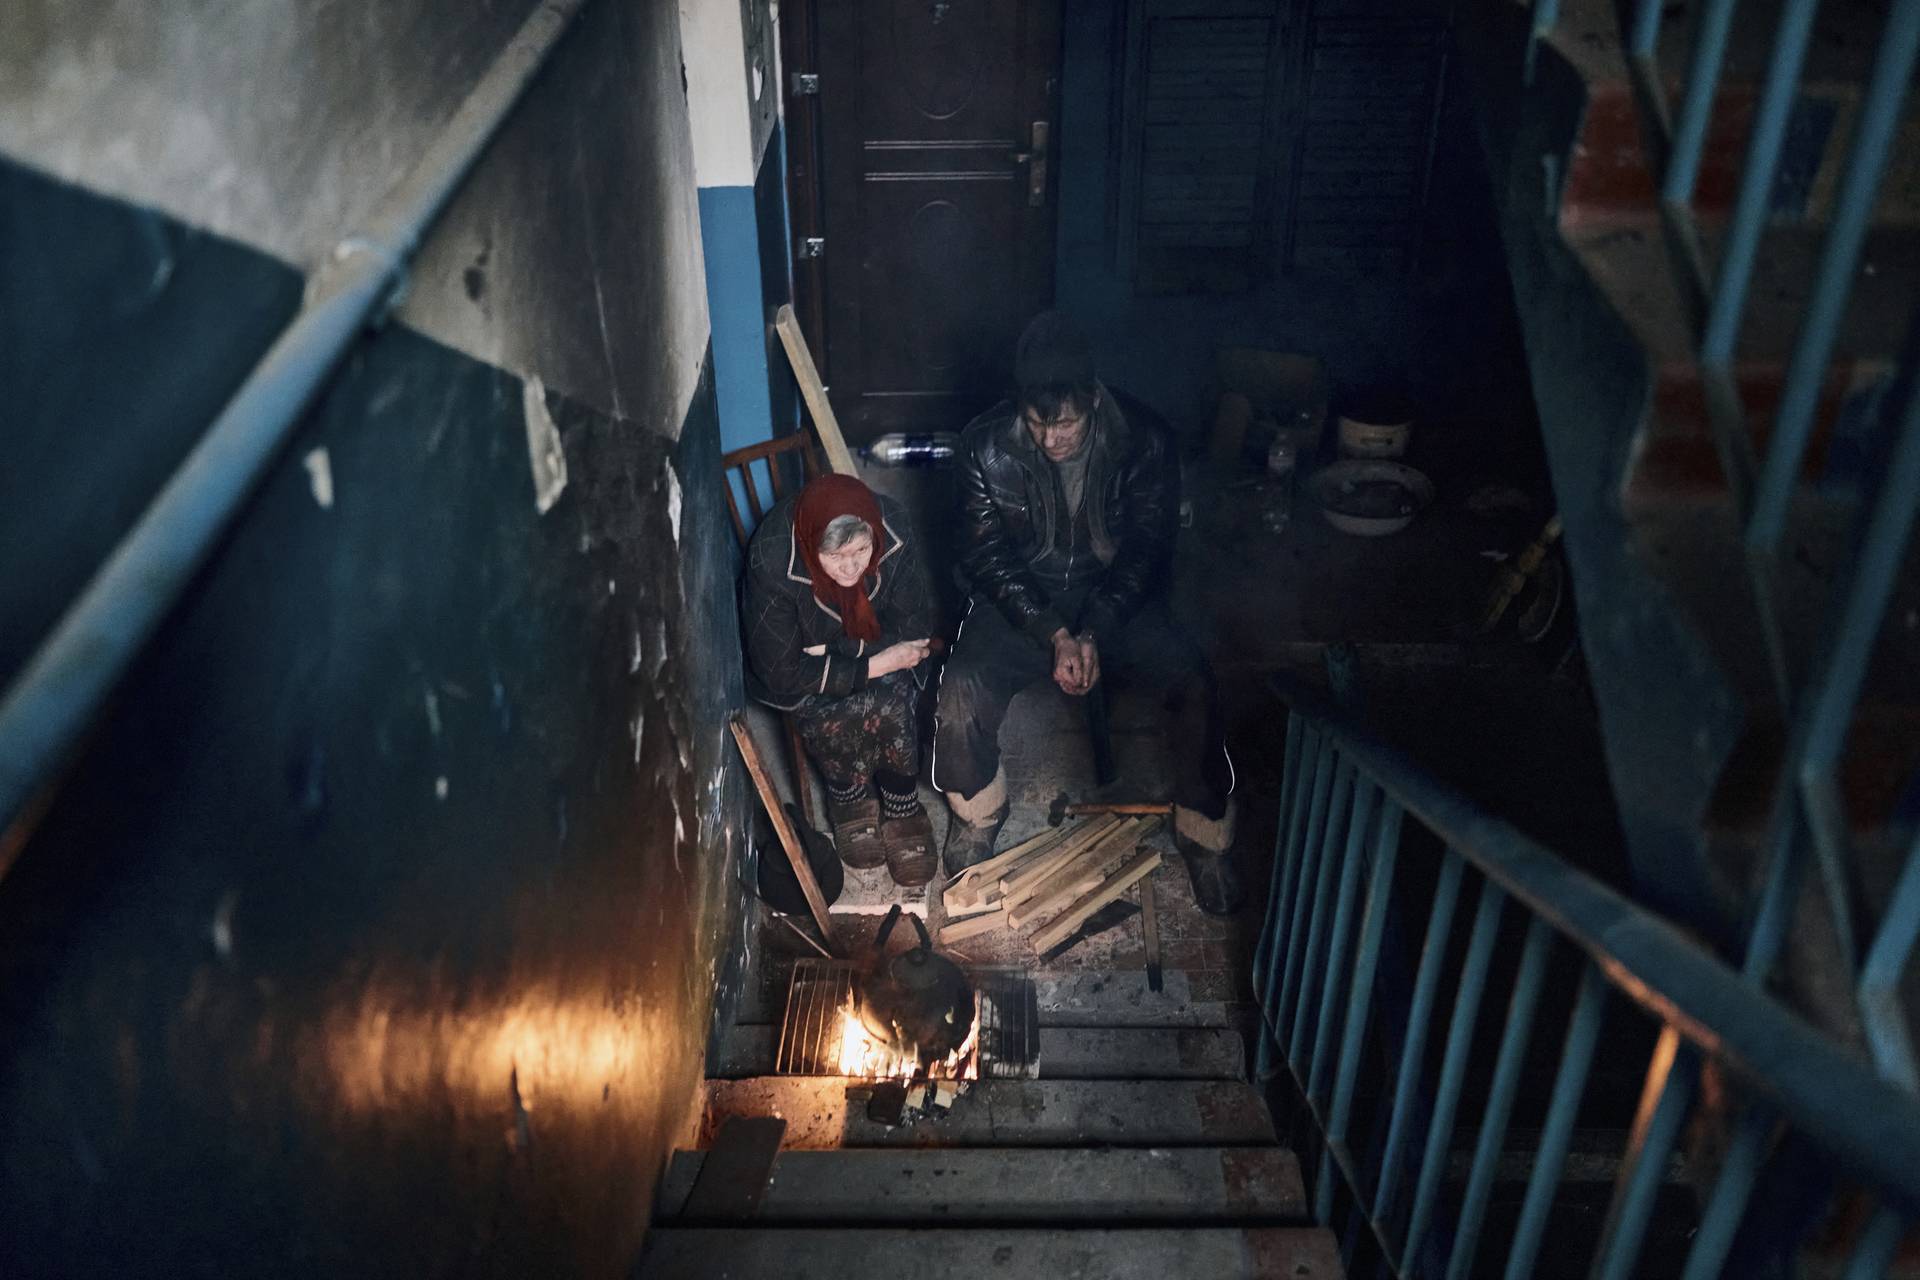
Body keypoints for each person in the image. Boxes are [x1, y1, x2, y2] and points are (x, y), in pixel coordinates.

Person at [930, 312, 1244, 914]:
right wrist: (1053, 633)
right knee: (961, 689)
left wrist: (1095, 629)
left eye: (1066, 422)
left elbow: (1148, 548)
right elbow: (987, 554)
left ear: (1093, 400)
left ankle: (1204, 832)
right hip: (1022, 597)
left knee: (1195, 683)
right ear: (1019, 408)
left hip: (1117, 596)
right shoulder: (983, 445)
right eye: (1037, 423)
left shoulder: (1146, 438)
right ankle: (977, 810)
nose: (1052, 440)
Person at [743, 473, 938, 886]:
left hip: (835, 655)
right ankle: (849, 801)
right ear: (812, 546)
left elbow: (915, 626)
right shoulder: (773, 558)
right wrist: (874, 662)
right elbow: (781, 670)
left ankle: (902, 805)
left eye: (862, 550)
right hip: (803, 679)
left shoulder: (894, 528)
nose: (851, 567)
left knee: (893, 700)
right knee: (838, 711)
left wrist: (837, 649)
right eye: (835, 557)